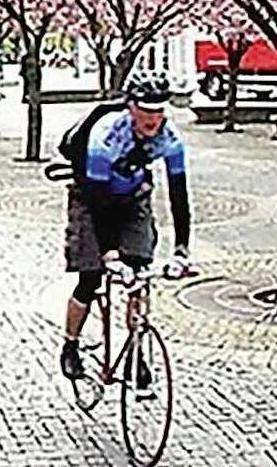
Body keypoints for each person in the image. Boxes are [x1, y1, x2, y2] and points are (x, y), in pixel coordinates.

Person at [60, 74, 193, 384]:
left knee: (139, 271)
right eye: (146, 109)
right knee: (91, 277)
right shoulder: (105, 137)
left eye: (159, 110)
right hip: (92, 195)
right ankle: (70, 344)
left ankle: (136, 351)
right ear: (131, 107)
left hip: (134, 196)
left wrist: (182, 249)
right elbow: (98, 203)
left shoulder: (170, 139)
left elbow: (179, 195)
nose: (153, 118)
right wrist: (108, 252)